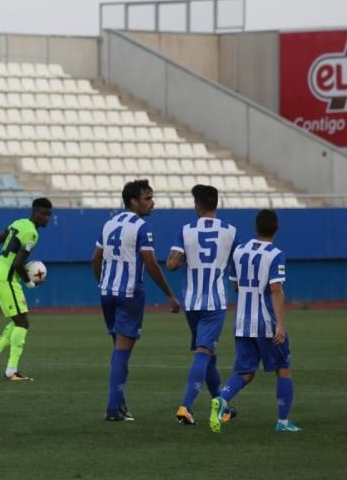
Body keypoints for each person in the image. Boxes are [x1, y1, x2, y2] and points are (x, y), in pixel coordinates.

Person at [91, 179, 181, 422]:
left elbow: (95, 259)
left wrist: (103, 282)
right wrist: (170, 295)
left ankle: (120, 405)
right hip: (130, 294)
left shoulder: (108, 224)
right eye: (147, 198)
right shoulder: (142, 227)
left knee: (118, 350)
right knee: (123, 353)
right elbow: (150, 263)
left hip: (107, 293)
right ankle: (112, 408)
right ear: (133, 201)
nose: (153, 203)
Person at [210, 209, 301, 434]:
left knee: (245, 372)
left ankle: (221, 399)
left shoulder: (240, 251)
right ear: (277, 228)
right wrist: (280, 324)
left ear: (255, 228)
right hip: (265, 322)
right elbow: (276, 290)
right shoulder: (275, 254)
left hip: (242, 321)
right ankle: (283, 422)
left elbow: (235, 285)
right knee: (283, 368)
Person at [166, 184, 239, 426]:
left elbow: (171, 264)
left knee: (208, 354)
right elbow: (236, 271)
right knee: (204, 352)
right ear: (216, 204)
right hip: (215, 303)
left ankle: (222, 404)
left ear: (197, 206)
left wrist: (187, 254)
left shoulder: (185, 230)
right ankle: (186, 406)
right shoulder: (231, 231)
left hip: (192, 302)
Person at [0, 198, 53, 381]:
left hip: (2, 275)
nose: (47, 219)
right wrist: (29, 282)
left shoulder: (19, 223)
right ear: (35, 212)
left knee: (18, 321)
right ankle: (11, 371)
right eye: (44, 214)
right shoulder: (32, 234)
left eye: (49, 215)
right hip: (6, 278)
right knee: (22, 323)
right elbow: (18, 263)